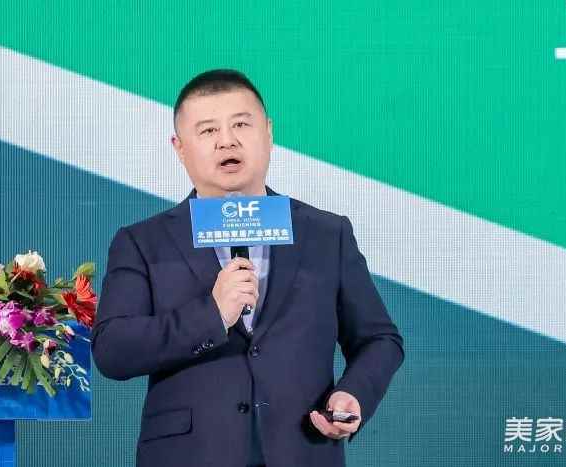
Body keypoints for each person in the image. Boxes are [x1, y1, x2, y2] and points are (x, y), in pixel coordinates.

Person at [91, 69, 404, 467]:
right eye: (208, 130)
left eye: (241, 124)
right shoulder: (142, 242)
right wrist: (212, 316)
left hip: (303, 450)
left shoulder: (326, 234)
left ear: (268, 133)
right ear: (179, 148)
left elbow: (379, 339)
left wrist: (353, 394)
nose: (227, 140)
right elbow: (113, 350)